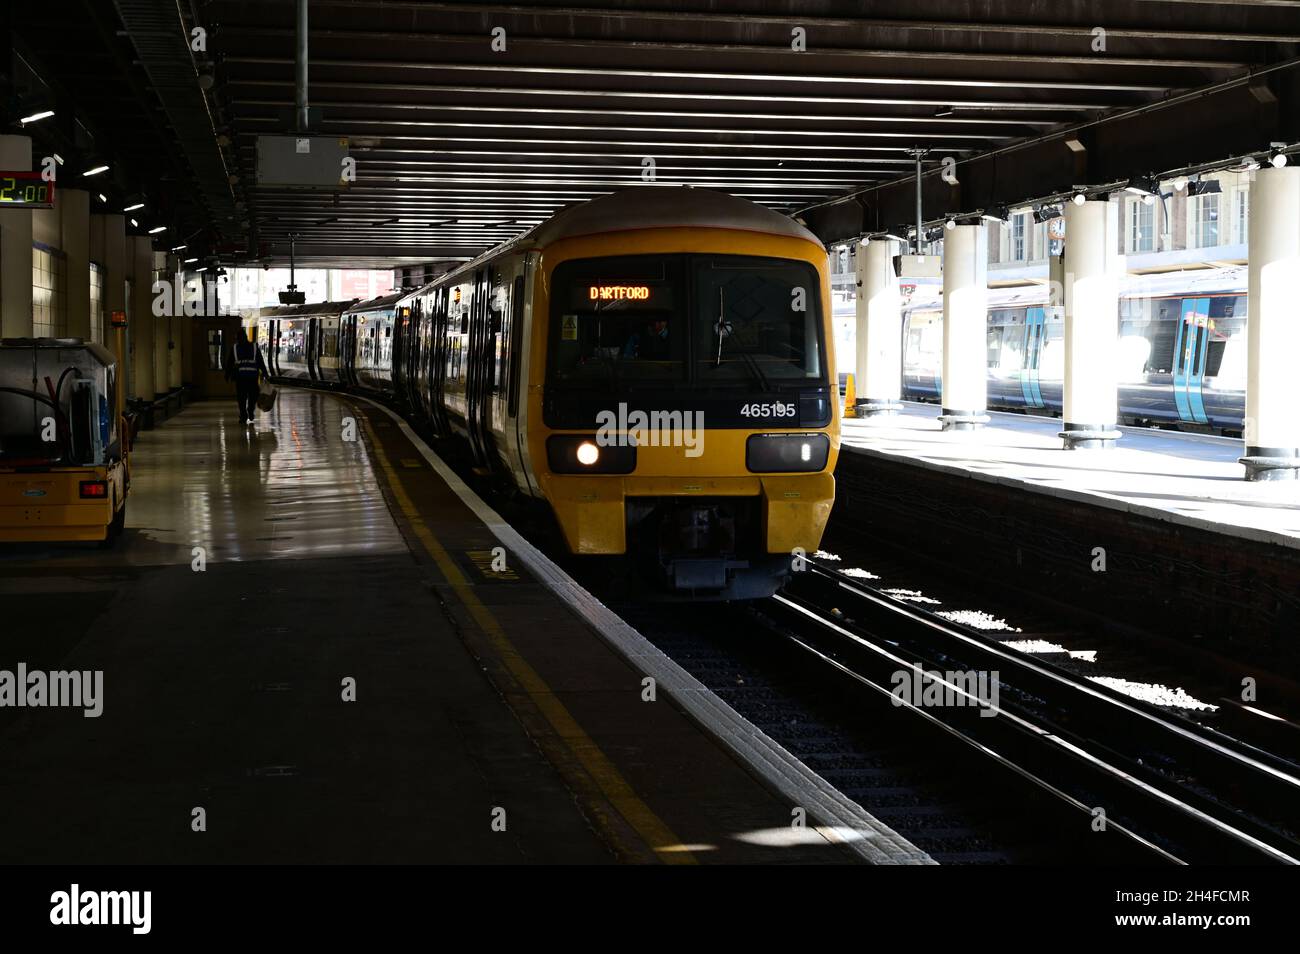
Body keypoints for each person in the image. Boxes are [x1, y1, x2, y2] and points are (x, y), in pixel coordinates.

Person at [226, 328, 269, 424]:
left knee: (241, 398)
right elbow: (260, 362)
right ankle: (249, 411)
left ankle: (244, 415)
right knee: (252, 396)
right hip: (252, 378)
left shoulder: (235, 348)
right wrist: (265, 374)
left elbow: (229, 363)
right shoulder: (254, 347)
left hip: (241, 379)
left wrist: (227, 375)